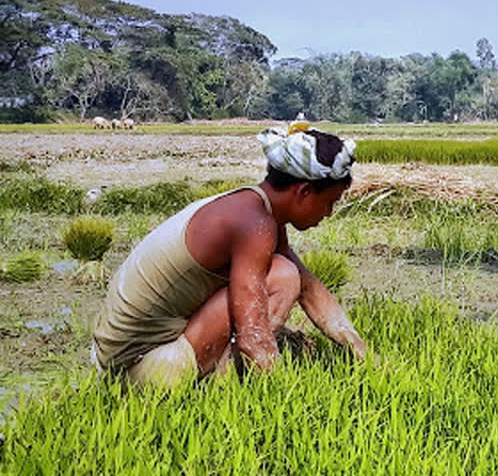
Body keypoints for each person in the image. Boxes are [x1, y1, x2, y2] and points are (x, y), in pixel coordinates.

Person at [91, 127, 367, 387]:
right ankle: (222, 387)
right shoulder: (252, 223)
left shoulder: (256, 208)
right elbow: (253, 335)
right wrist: (284, 396)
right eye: (330, 202)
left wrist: (360, 350)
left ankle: (218, 381)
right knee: (281, 277)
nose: (329, 213)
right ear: (304, 191)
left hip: (122, 359)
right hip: (138, 373)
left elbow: (308, 288)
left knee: (285, 273)